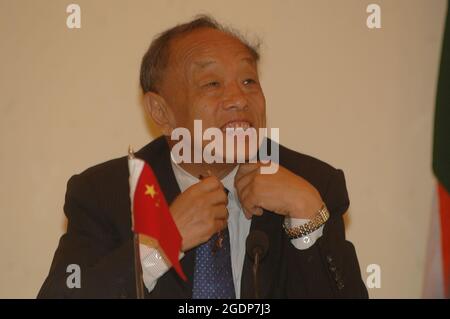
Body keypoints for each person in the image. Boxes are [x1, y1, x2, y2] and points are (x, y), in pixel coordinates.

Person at [38, 15, 368, 299]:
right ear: (161, 111)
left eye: (249, 80)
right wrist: (159, 245)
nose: (239, 99)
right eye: (212, 83)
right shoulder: (104, 193)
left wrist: (305, 215)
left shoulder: (312, 184)